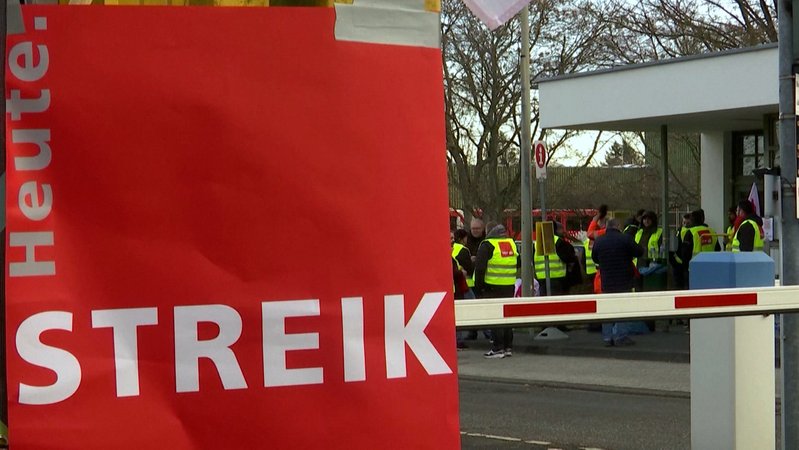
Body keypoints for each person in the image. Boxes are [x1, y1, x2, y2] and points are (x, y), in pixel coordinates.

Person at [591, 218, 643, 346]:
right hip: (624, 279)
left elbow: (594, 258)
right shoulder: (625, 239)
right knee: (622, 308)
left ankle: (607, 337)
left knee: (607, 309)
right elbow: (639, 251)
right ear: (618, 226)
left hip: (606, 280)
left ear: (607, 227)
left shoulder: (600, 241)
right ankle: (620, 336)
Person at [473, 224, 519, 359]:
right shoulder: (511, 243)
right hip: (509, 285)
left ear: (489, 231)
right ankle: (507, 347)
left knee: (495, 318)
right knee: (507, 318)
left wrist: (479, 287)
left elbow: (480, 268)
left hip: (491, 286)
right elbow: (519, 262)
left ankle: (498, 348)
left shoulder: (487, 245)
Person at [535, 222, 580, 296]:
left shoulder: (538, 242)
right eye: (561, 229)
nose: (563, 231)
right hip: (557, 278)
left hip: (541, 278)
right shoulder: (558, 242)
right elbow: (568, 258)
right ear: (555, 230)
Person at [677, 209, 720, 287]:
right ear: (702, 219)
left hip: (694, 269)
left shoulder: (691, 232)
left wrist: (684, 268)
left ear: (692, 220)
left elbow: (685, 253)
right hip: (710, 268)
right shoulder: (712, 231)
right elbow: (718, 249)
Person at [452, 229, 475, 298]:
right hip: (465, 283)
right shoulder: (463, 249)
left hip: (455, 284)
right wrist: (473, 262)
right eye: (466, 238)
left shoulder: (452, 248)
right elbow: (469, 269)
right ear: (462, 239)